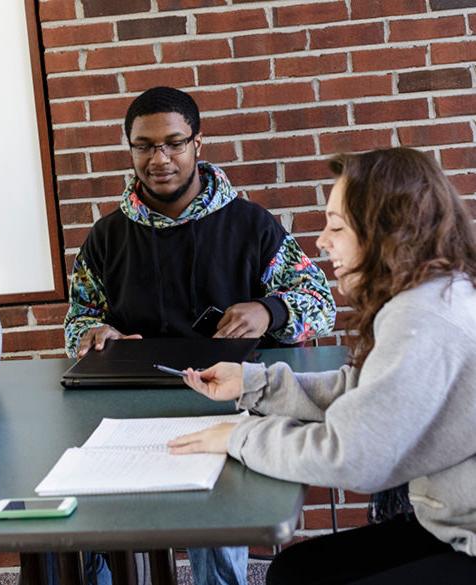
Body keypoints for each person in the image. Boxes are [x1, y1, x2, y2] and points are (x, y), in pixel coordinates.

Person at [64, 87, 336, 585]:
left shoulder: (251, 225)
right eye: (144, 146)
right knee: (90, 532)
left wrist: (270, 309)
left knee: (214, 533)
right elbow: (78, 319)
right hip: (129, 403)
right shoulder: (107, 236)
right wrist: (92, 332)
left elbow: (321, 305)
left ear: (197, 143)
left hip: (226, 400)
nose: (159, 158)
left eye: (173, 143)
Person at [169, 147, 476, 584]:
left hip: (466, 539)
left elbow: (352, 456)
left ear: (386, 231)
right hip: (452, 524)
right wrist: (253, 384)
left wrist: (241, 436)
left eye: (336, 226)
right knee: (295, 570)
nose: (321, 241)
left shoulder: (422, 317)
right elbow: (362, 388)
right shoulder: (437, 291)